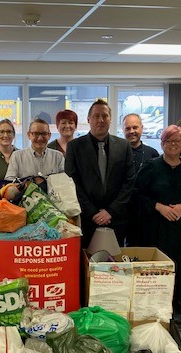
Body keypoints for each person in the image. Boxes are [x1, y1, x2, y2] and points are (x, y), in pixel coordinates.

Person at [135, 125, 181, 302]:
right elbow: (136, 194)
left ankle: (177, 300)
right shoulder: (151, 166)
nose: (173, 144)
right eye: (168, 141)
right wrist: (158, 206)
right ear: (162, 143)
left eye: (177, 141)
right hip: (155, 228)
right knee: (156, 266)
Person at [65, 99, 135, 247]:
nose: (100, 120)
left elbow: (129, 182)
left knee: (115, 265)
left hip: (116, 219)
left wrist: (110, 211)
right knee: (86, 264)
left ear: (111, 119)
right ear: (88, 119)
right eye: (96, 116)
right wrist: (92, 212)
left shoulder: (124, 146)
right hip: (86, 219)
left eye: (105, 116)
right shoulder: (75, 147)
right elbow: (71, 183)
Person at [122, 113, 159, 246]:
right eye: (127, 128)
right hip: (122, 211)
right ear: (123, 130)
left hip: (146, 213)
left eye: (135, 127)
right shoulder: (117, 152)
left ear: (142, 128)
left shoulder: (152, 154)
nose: (132, 131)